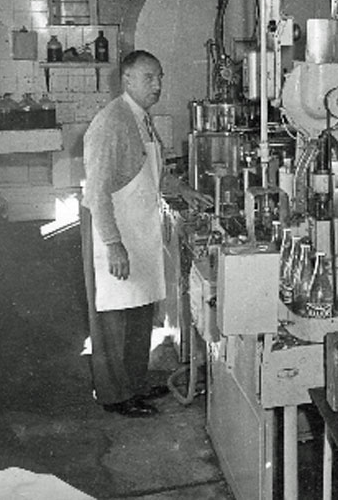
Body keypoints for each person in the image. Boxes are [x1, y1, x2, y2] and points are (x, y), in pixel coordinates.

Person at [81, 50, 211, 417]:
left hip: (138, 231)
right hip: (117, 233)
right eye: (149, 77)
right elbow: (97, 192)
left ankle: (134, 385)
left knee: (138, 313)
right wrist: (112, 244)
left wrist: (182, 190)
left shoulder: (142, 119)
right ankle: (115, 397)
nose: (158, 85)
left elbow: (151, 173)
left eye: (160, 77)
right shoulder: (111, 122)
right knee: (115, 321)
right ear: (127, 80)